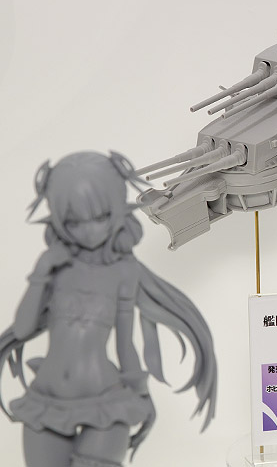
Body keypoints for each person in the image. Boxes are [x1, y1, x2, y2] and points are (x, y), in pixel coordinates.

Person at [0, 152, 217, 467]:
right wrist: (41, 272)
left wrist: (142, 395)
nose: (89, 230)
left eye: (100, 217)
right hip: (46, 401)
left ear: (116, 209)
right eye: (74, 221)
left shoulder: (124, 271)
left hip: (106, 401)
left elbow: (125, 344)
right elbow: (22, 329)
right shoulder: (55, 266)